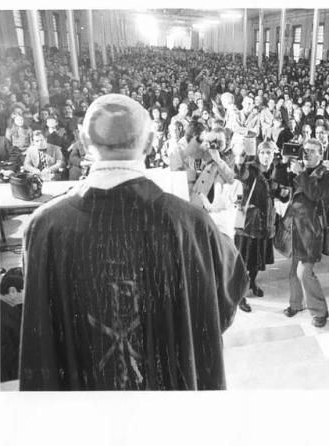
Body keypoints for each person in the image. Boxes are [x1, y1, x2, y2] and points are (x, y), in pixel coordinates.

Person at [19, 94, 248, 391]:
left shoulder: (43, 227)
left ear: (84, 142)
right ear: (151, 141)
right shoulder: (189, 224)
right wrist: (221, 238)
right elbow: (222, 300)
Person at [283, 139, 329, 328]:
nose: (307, 154)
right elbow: (280, 186)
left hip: (312, 231)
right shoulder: (300, 171)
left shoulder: (328, 176)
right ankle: (296, 304)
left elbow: (318, 196)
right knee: (293, 271)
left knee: (305, 272)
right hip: (295, 228)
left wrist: (300, 174)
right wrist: (284, 165)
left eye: (312, 151)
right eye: (305, 150)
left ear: (320, 155)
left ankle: (320, 311)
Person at [235, 141, 290, 305]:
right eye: (264, 152)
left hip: (266, 223)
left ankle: (252, 282)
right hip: (249, 223)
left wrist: (285, 185)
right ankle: (240, 294)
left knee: (257, 260)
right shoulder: (250, 169)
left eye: (270, 153)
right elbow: (240, 172)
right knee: (243, 260)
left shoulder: (275, 170)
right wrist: (240, 158)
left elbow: (284, 196)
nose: (267, 156)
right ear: (258, 153)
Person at [0, 267, 24, 383]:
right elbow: (5, 358)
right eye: (26, 290)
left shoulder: (10, 308)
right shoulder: (2, 318)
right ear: (13, 291)